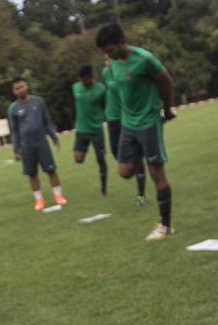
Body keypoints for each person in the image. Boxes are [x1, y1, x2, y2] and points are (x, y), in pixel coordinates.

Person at [96, 23, 178, 240]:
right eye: (105, 52)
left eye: (110, 50)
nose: (108, 55)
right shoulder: (113, 63)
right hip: (128, 124)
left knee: (157, 173)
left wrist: (167, 110)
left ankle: (165, 226)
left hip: (149, 121)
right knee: (124, 171)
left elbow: (167, 81)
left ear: (122, 42)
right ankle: (144, 155)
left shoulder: (145, 60)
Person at [8, 78, 66, 212]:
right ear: (14, 91)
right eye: (17, 88)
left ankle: (58, 196)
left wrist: (54, 136)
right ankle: (39, 200)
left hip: (41, 142)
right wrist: (16, 149)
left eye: (22, 86)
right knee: (32, 174)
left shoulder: (38, 101)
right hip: (26, 145)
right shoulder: (13, 108)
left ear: (27, 86)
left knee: (51, 170)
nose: (20, 89)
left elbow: (47, 120)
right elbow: (15, 131)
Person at [103, 58, 147, 207]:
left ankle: (141, 195)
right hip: (111, 119)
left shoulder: (124, 72)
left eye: (109, 58)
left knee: (137, 158)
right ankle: (135, 166)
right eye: (105, 58)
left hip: (125, 118)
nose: (107, 60)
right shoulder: (105, 73)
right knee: (116, 153)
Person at [72, 65, 109, 197]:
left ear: (91, 77)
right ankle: (85, 149)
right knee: (78, 159)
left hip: (96, 130)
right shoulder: (75, 88)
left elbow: (105, 105)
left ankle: (103, 189)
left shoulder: (101, 89)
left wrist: (102, 117)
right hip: (81, 131)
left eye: (85, 79)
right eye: (81, 79)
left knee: (100, 159)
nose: (83, 81)